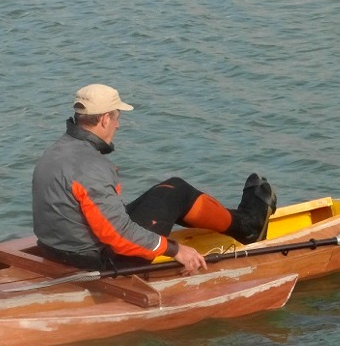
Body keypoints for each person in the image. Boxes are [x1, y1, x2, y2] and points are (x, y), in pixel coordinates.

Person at [32, 84, 276, 275]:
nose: (117, 126)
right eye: (117, 119)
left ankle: (241, 222)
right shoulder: (91, 167)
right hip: (99, 261)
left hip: (56, 250)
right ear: (105, 119)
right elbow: (117, 236)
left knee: (167, 191)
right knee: (177, 191)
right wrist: (175, 249)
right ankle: (248, 228)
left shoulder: (55, 152)